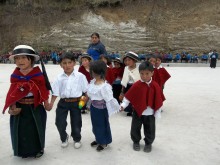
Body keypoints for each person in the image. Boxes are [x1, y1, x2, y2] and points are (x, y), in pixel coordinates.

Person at [2, 45, 51, 158]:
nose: (20, 61)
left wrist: (46, 102)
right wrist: (12, 105)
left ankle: (38, 149)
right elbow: (12, 93)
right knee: (21, 130)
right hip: (21, 108)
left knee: (36, 129)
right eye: (17, 58)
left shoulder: (38, 75)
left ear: (31, 59)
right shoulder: (15, 76)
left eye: (24, 58)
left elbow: (43, 90)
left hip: (35, 107)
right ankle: (23, 151)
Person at [120, 61, 165, 153]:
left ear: (152, 73)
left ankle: (148, 143)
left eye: (147, 74)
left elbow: (158, 99)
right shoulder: (137, 85)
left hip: (150, 113)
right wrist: (123, 105)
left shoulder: (155, 85)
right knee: (135, 128)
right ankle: (136, 141)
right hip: (137, 111)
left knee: (150, 129)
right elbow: (129, 96)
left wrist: (157, 111)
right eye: (142, 74)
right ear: (139, 73)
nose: (144, 76)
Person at [49, 52, 88, 149]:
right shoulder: (59, 78)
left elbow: (86, 91)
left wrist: (82, 103)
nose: (67, 65)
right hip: (63, 102)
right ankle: (64, 137)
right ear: (61, 65)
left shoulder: (80, 76)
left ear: (74, 63)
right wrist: (51, 103)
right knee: (59, 122)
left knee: (76, 122)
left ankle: (77, 138)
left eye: (69, 62)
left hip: (76, 102)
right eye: (64, 63)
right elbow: (55, 92)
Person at [87, 60, 120, 152]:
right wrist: (88, 104)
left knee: (102, 125)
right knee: (95, 125)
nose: (93, 73)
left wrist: (114, 108)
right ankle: (98, 138)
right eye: (92, 70)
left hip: (102, 109)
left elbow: (109, 99)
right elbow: (90, 95)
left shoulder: (105, 86)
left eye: (94, 71)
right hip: (94, 108)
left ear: (100, 71)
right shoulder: (92, 82)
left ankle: (104, 142)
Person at [119, 51, 140, 116]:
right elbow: (124, 79)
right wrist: (122, 92)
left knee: (136, 99)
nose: (127, 62)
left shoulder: (138, 68)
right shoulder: (126, 68)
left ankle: (136, 110)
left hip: (136, 87)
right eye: (126, 60)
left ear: (134, 60)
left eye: (129, 60)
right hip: (128, 86)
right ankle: (130, 110)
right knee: (128, 98)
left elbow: (139, 79)